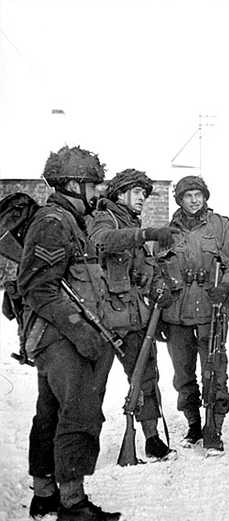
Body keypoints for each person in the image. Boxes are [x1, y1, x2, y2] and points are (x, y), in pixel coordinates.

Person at [17, 146, 121, 521]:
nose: (97, 193)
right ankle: (73, 504)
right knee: (78, 413)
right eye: (92, 185)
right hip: (60, 337)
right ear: (74, 184)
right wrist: (79, 331)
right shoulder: (54, 222)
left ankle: (44, 493)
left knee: (50, 413)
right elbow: (37, 287)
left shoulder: (70, 222)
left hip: (59, 336)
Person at [87, 168, 176, 461]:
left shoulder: (132, 223)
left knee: (146, 377)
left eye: (144, 194)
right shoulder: (105, 217)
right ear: (121, 193)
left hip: (136, 316)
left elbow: (144, 270)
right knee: (92, 385)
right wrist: (144, 234)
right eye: (137, 192)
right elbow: (102, 241)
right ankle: (83, 444)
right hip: (104, 319)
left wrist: (159, 283)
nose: (142, 199)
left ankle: (151, 438)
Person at [158, 175, 229, 455]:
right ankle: (194, 423)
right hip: (177, 314)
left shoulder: (221, 225)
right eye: (188, 196)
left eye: (199, 194)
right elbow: (157, 271)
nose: (194, 200)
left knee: (215, 370)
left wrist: (226, 286)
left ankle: (214, 428)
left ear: (205, 196)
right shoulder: (167, 231)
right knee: (183, 374)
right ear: (180, 200)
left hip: (211, 310)